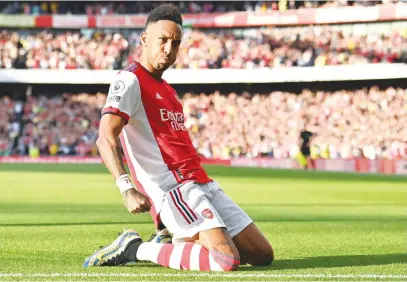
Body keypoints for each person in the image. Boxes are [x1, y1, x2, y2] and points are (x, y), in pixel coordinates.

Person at [83, 4, 273, 272]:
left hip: (202, 183)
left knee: (262, 255)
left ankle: (168, 239)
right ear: (145, 39)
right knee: (225, 261)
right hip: (175, 190)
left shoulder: (169, 91)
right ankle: (135, 249)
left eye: (175, 43)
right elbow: (105, 137)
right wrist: (126, 188)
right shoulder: (130, 80)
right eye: (162, 40)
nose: (168, 49)